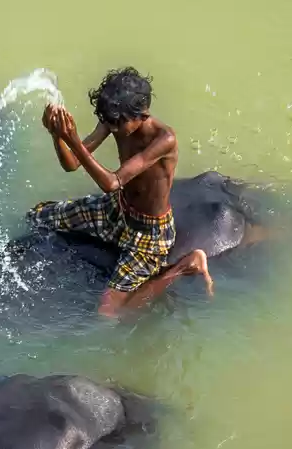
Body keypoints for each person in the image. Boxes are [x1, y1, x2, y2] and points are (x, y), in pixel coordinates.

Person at [30, 67, 213, 317]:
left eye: (118, 123)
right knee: (36, 216)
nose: (113, 128)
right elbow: (72, 163)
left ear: (142, 114)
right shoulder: (115, 120)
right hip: (115, 210)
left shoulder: (163, 139)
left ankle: (185, 266)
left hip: (148, 233)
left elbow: (112, 182)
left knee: (109, 312)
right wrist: (57, 135)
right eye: (109, 122)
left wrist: (72, 139)